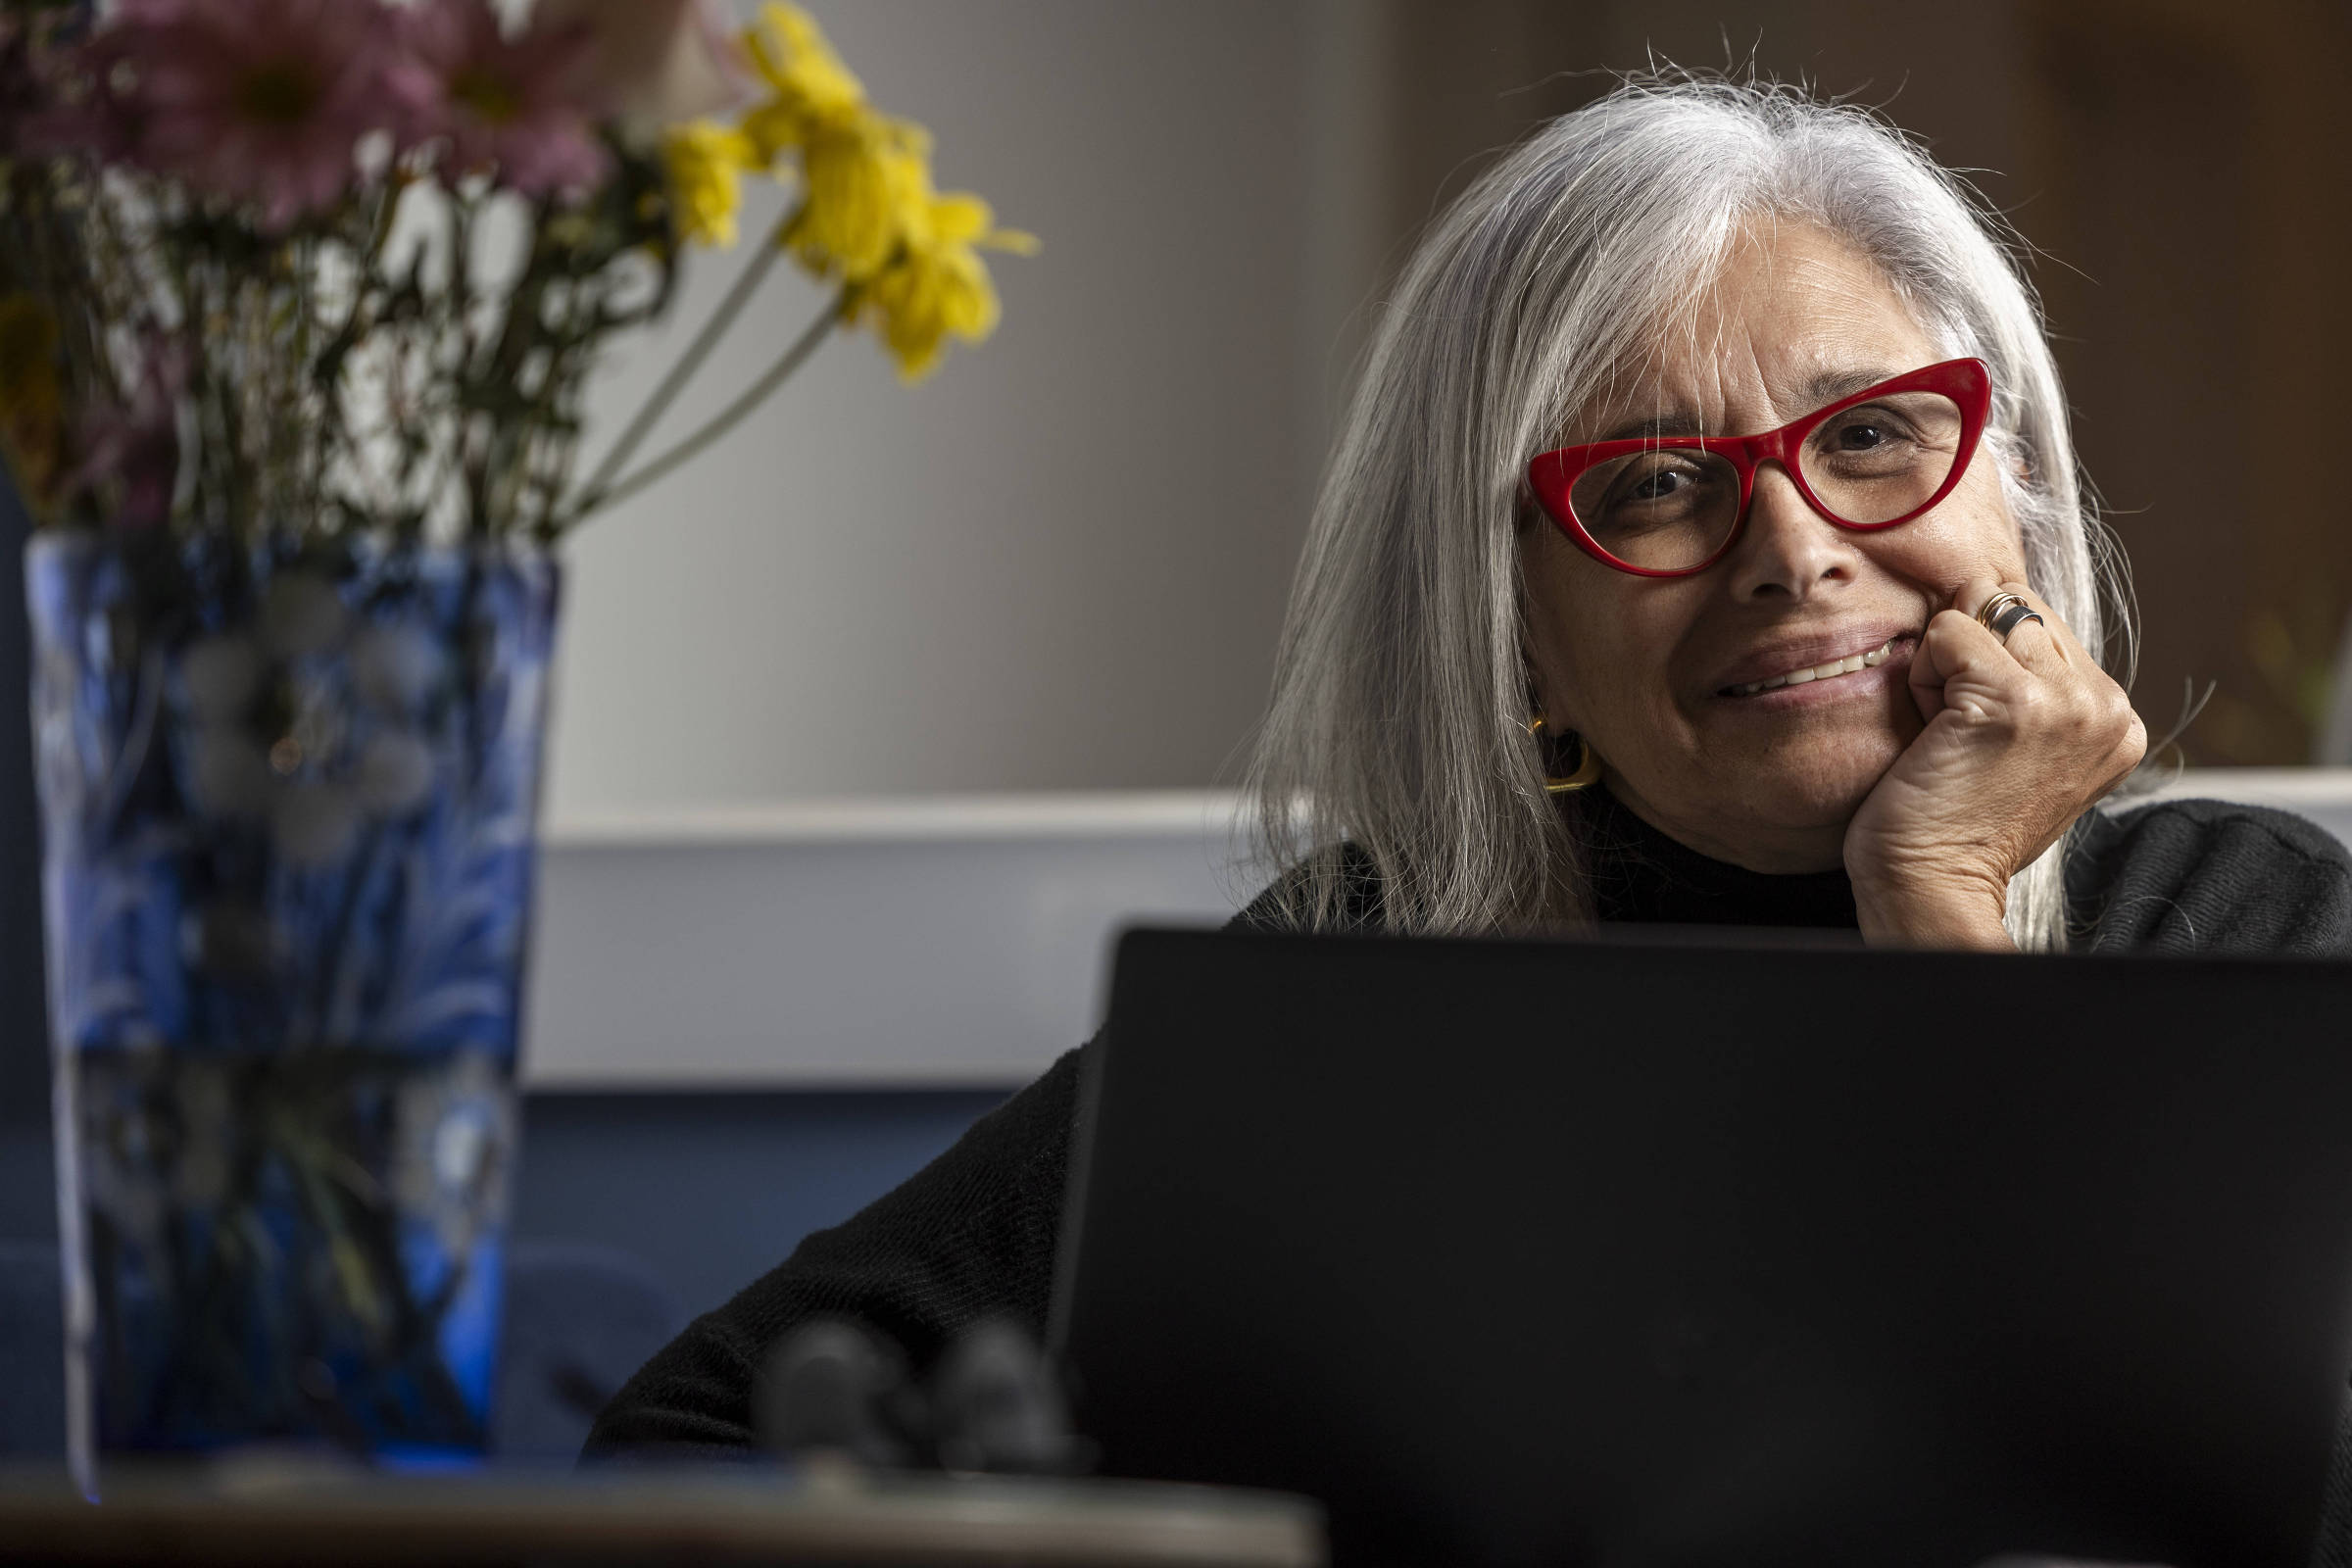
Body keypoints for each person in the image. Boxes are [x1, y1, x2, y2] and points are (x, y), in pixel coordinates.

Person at [583, 75, 2352, 1553]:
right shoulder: (1361, 992)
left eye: (1880, 435)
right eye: (1654, 484)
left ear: (2013, 501)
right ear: (1504, 625)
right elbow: (687, 1443)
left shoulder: (2263, 939)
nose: (1797, 547)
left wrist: (1944, 905)